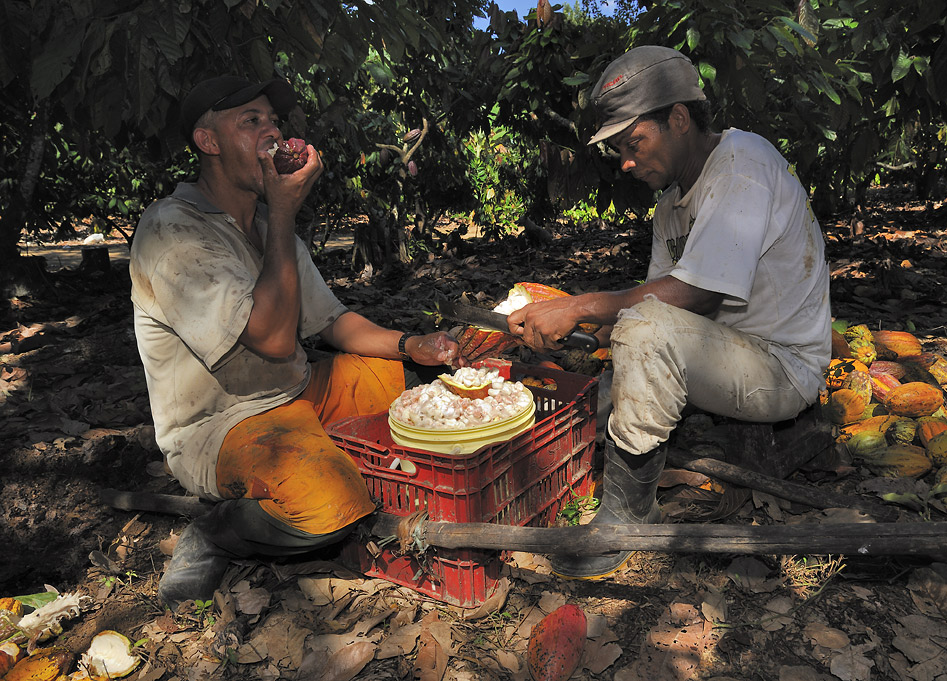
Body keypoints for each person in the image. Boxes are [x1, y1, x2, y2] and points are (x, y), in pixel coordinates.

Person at [130, 75, 462, 608]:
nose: (272, 133)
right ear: (208, 142)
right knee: (334, 507)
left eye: (274, 122)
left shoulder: (264, 223)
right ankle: (217, 530)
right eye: (251, 121)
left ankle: (332, 448)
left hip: (303, 392)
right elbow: (275, 340)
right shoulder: (171, 230)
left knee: (431, 388)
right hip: (228, 424)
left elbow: (332, 323)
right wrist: (285, 212)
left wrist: (410, 345)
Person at [507, 46, 832, 579]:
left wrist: (581, 306)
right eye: (620, 150)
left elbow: (695, 297)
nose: (627, 162)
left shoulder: (742, 163)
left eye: (634, 142)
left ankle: (630, 515)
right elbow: (657, 301)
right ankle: (623, 476)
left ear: (678, 119)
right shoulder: (669, 207)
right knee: (635, 329)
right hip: (725, 353)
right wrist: (576, 326)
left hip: (783, 367)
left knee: (642, 328)